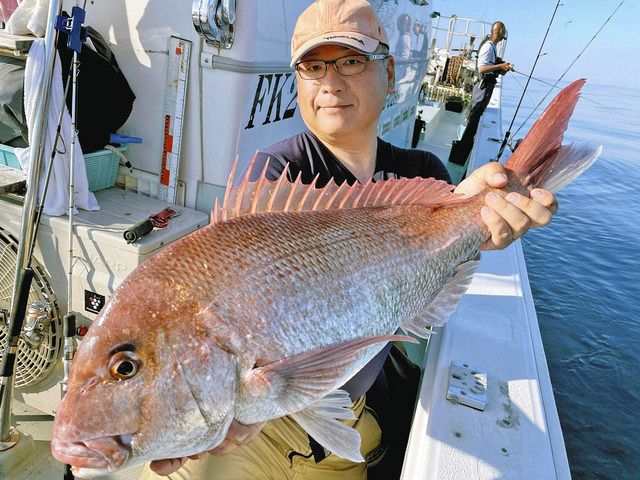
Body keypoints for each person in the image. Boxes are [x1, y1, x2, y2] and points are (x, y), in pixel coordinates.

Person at [141, 2, 556, 479]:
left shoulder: (426, 175)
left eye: (352, 61)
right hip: (266, 425)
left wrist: (494, 212)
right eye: (313, 67)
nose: (331, 83)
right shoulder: (275, 176)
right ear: (298, 81)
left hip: (348, 422)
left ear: (389, 71)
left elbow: (451, 247)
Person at [449, 21, 512, 165]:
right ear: (500, 31)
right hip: (482, 90)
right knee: (473, 120)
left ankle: (464, 151)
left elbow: (489, 65)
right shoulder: (488, 47)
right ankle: (460, 155)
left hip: (485, 90)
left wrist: (499, 65)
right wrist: (500, 66)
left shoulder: (492, 47)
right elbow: (482, 68)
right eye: (504, 30)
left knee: (475, 120)